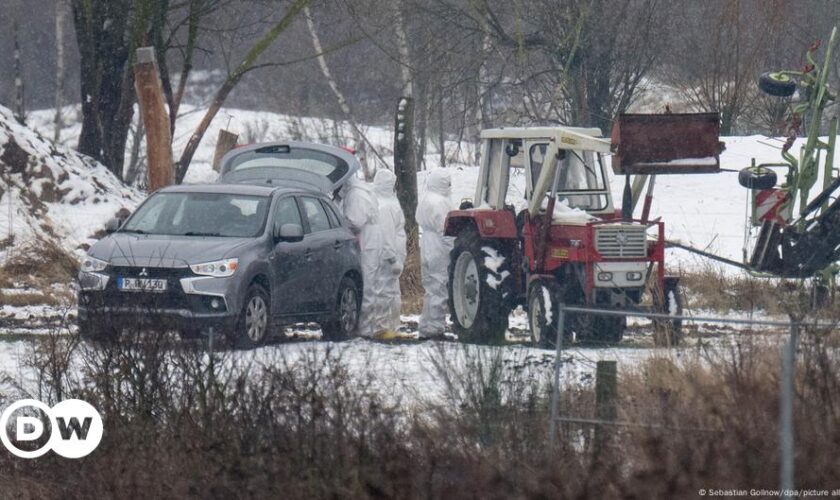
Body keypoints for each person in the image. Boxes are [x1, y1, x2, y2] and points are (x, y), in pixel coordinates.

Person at [338, 174, 384, 338]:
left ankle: (365, 329)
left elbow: (355, 222)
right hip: (370, 238)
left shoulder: (355, 195)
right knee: (368, 282)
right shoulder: (362, 191)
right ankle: (366, 326)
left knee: (367, 283)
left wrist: (340, 223)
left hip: (367, 239)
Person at [415, 169, 454, 339]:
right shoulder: (441, 202)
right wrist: (453, 249)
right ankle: (435, 329)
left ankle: (426, 326)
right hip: (438, 246)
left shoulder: (425, 198)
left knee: (430, 288)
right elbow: (446, 229)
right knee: (439, 287)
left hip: (426, 244)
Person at [373, 169, 406, 336]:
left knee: (391, 293)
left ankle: (392, 328)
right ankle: (382, 328)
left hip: (389, 257)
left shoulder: (383, 203)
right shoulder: (385, 207)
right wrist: (392, 258)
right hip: (388, 258)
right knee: (384, 293)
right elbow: (386, 235)